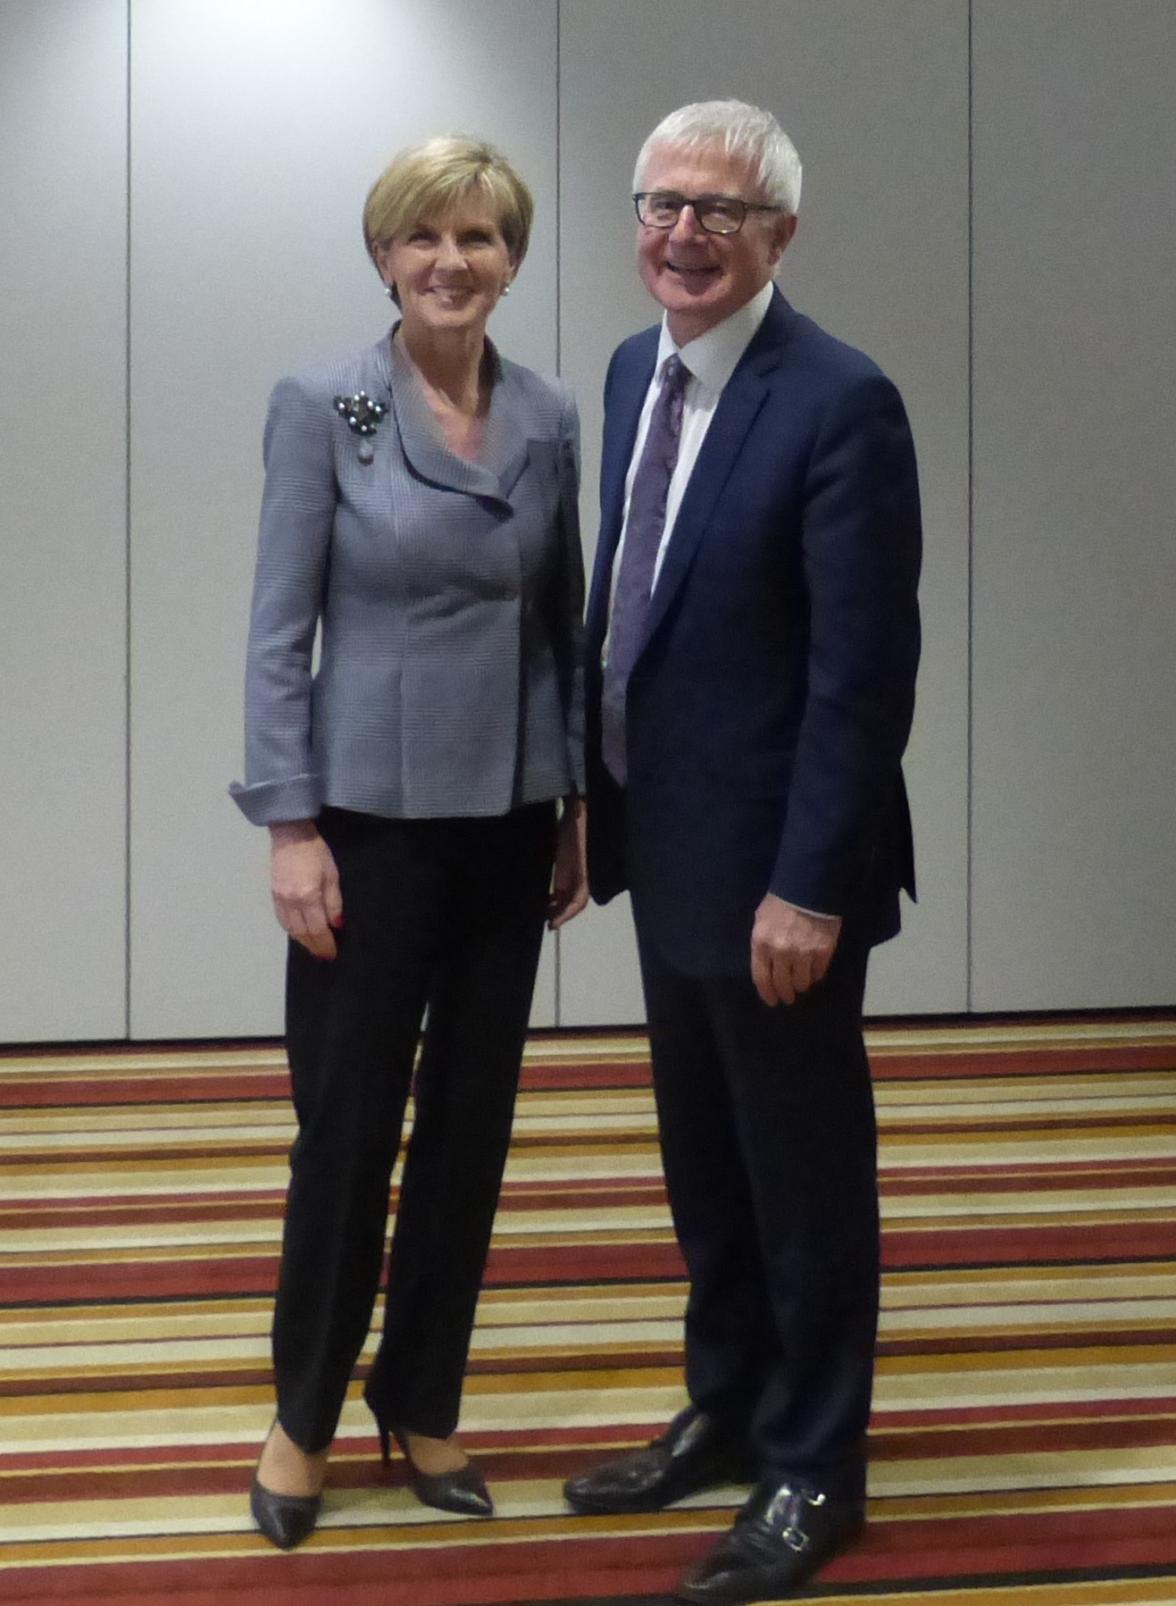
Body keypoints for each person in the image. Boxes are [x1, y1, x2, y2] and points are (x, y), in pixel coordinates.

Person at [562, 101, 921, 1604]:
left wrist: (811, 881)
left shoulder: (841, 401)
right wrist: (589, 798)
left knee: (803, 1170)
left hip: (779, 879)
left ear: (780, 231)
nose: (684, 234)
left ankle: (816, 1460)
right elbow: (621, 609)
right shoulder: (636, 365)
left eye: (719, 211)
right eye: (662, 205)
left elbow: (862, 673)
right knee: (704, 1160)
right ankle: (726, 1401)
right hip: (666, 850)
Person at [229, 134, 587, 1551]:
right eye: (426, 237)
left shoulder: (551, 414)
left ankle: (423, 1390)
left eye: (484, 238)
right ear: (384, 253)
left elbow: (561, 626)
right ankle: (304, 1411)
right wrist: (290, 825)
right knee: (349, 1127)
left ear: (512, 258)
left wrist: (571, 806)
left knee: (472, 1131)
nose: (455, 262)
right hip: (367, 831)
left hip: (506, 820)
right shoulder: (325, 402)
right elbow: (277, 628)